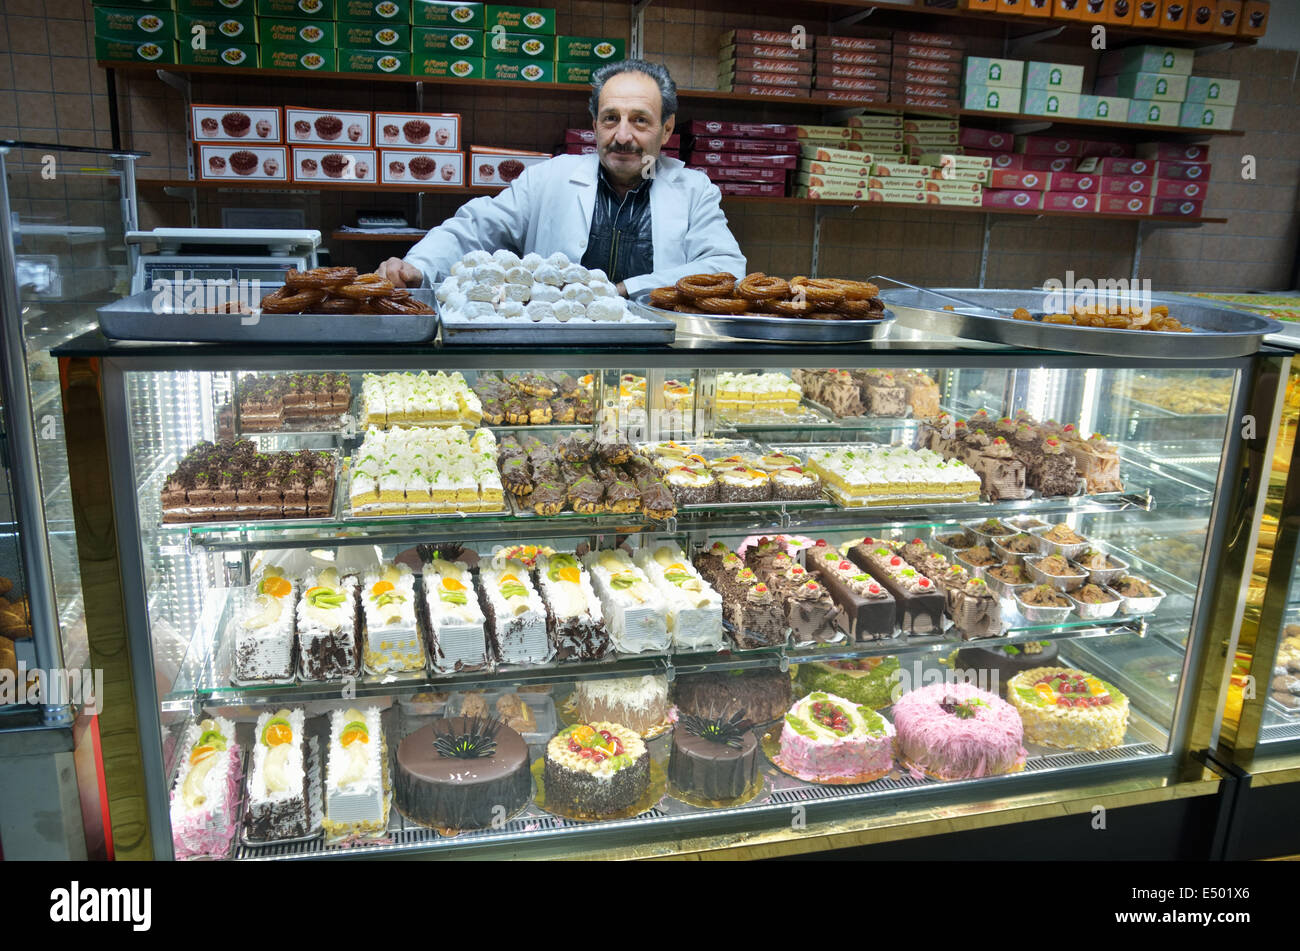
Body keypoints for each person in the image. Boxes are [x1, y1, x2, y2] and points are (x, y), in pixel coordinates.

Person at [376, 59, 746, 297]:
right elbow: (474, 227)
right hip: (556, 356)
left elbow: (726, 266)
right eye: (610, 118)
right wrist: (419, 266)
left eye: (640, 120)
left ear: (666, 131)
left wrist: (624, 290)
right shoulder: (551, 177)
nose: (622, 136)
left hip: (656, 362)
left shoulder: (694, 191)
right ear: (594, 125)